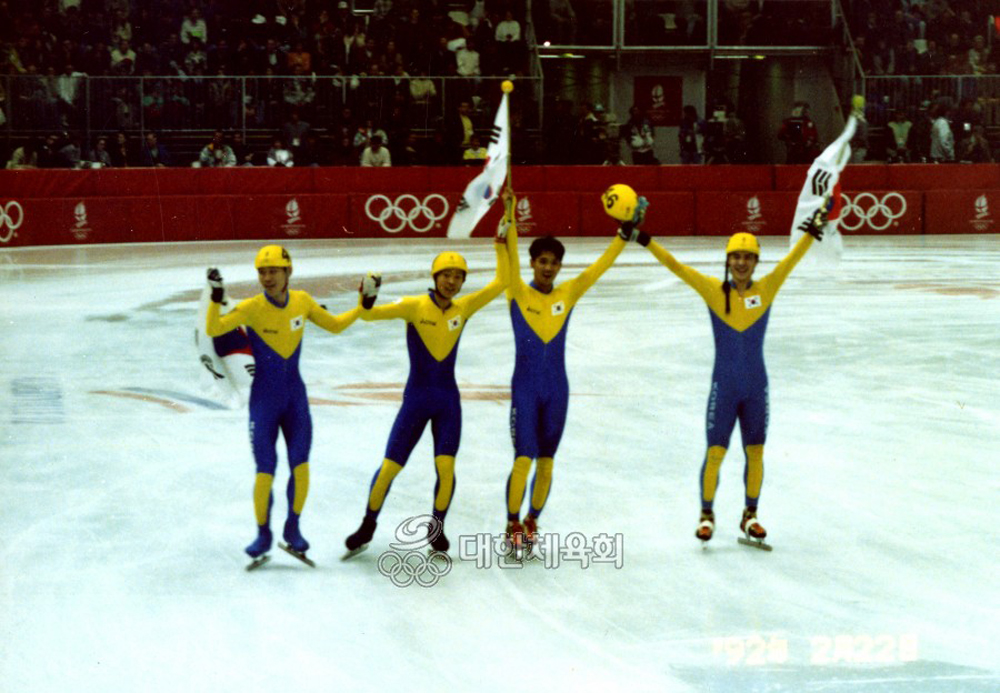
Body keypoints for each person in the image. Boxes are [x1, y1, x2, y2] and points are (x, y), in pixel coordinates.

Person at [632, 200, 829, 545]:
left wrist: (812, 230)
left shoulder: (765, 289)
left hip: (755, 387)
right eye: (736, 257)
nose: (741, 263)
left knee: (756, 452)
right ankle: (706, 514)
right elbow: (676, 266)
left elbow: (791, 261)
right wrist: (643, 238)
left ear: (755, 262)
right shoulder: (712, 290)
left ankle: (750, 515)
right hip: (724, 388)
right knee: (715, 453)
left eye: (748, 257)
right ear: (728, 261)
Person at [205, 246, 379, 564]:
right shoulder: (252, 307)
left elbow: (336, 325)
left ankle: (292, 528)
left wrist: (362, 306)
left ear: (289, 272)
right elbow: (215, 329)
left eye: (273, 271)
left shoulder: (302, 301)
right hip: (264, 403)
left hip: (295, 401)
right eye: (262, 271)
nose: (267, 277)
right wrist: (216, 300)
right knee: (265, 472)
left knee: (301, 466)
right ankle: (262, 534)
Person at [344, 234, 511, 556]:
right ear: (435, 278)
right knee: (390, 467)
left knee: (446, 469)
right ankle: (367, 525)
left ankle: (437, 529)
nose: (452, 281)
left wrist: (501, 244)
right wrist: (366, 301)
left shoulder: (464, 307)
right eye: (446, 275)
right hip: (417, 401)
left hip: (448, 402)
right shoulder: (413, 306)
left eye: (458, 276)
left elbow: (503, 281)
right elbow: (368, 315)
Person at [500, 189, 642, 554]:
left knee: (546, 462)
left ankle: (533, 519)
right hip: (526, 391)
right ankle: (512, 522)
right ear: (532, 264)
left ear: (560, 267)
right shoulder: (517, 292)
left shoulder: (568, 292)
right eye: (542, 261)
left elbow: (600, 267)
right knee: (523, 458)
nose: (548, 268)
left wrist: (623, 235)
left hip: (558, 391)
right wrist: (509, 214)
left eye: (554, 263)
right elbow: (509, 258)